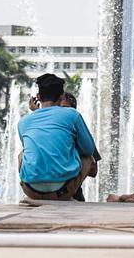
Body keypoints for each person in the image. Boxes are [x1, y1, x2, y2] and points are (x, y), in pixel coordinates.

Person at [17, 73, 98, 201]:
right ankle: (73, 195)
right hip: (62, 192)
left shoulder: (23, 122)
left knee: (22, 154)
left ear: (38, 96)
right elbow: (89, 150)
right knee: (87, 158)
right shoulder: (72, 115)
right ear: (61, 96)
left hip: (30, 191)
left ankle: (33, 190)